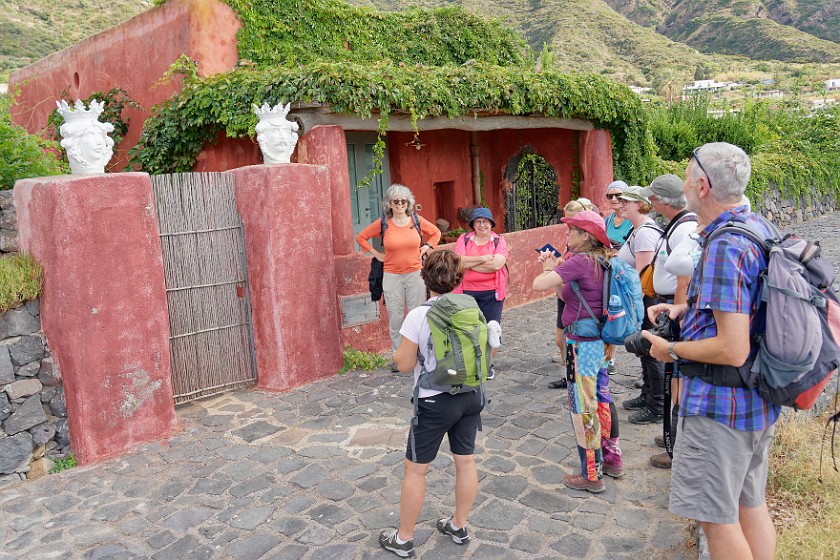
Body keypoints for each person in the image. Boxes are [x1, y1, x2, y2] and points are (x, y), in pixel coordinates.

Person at [643, 143, 779, 560]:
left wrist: (671, 350)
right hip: (755, 399)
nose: (683, 184)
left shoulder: (723, 246)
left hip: (721, 406)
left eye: (687, 177)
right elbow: (748, 309)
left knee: (716, 519)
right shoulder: (755, 225)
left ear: (702, 186)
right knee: (749, 503)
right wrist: (688, 309)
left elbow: (732, 348)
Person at [379, 250, 489, 558]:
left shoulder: (418, 315)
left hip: (434, 400)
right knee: (465, 461)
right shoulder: (471, 307)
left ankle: (403, 539)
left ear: (425, 278)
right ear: (458, 277)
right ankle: (458, 524)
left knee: (415, 470)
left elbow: (403, 364)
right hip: (471, 394)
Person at [533, 210, 624, 492]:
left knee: (583, 408)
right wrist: (560, 272)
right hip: (601, 341)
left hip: (581, 346)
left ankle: (591, 474)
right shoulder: (604, 259)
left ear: (585, 236)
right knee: (602, 400)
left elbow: (538, 285)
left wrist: (549, 269)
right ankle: (612, 460)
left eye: (571, 231)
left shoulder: (581, 261)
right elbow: (567, 294)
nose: (567, 235)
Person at [638, 175, 697, 468]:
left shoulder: (683, 229)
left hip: (676, 308)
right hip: (670, 304)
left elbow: (684, 279)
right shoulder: (677, 225)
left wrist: (676, 317)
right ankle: (675, 435)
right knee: (675, 378)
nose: (650, 202)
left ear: (663, 201)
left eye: (653, 197)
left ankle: (677, 444)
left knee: (677, 379)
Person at [356, 184, 441, 371]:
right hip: (392, 276)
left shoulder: (416, 220)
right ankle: (398, 357)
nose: (400, 204)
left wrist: (426, 247)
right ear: (390, 203)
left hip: (415, 275)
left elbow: (436, 232)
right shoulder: (383, 223)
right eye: (396, 201)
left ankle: (418, 354)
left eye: (404, 200)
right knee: (396, 318)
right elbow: (361, 237)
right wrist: (376, 254)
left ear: (408, 203)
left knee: (416, 316)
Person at [616, 186, 666, 424]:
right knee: (644, 350)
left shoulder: (645, 233)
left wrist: (631, 303)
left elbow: (642, 276)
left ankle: (657, 405)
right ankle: (647, 395)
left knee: (649, 350)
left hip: (645, 300)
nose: (620, 204)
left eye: (626, 201)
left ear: (640, 204)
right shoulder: (638, 230)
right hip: (641, 299)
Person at [453, 207, 508, 379]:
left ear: (491, 224)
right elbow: (458, 262)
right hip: (466, 293)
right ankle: (471, 365)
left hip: (492, 293)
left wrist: (470, 264)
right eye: (478, 222)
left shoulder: (498, 241)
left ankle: (487, 365)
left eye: (486, 222)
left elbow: (496, 265)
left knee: (491, 330)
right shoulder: (464, 239)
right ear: (473, 225)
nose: (482, 225)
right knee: (468, 331)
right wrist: (483, 259)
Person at [549, 198, 598, 388]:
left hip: (579, 297)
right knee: (561, 340)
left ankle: (578, 379)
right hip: (566, 291)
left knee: (575, 341)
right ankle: (570, 376)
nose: (569, 224)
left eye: (572, 219)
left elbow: (539, 284)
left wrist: (550, 271)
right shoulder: (571, 234)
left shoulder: (588, 241)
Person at [604, 180, 633, 248]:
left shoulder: (634, 219)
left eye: (618, 195)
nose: (613, 199)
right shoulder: (607, 220)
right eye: (610, 196)